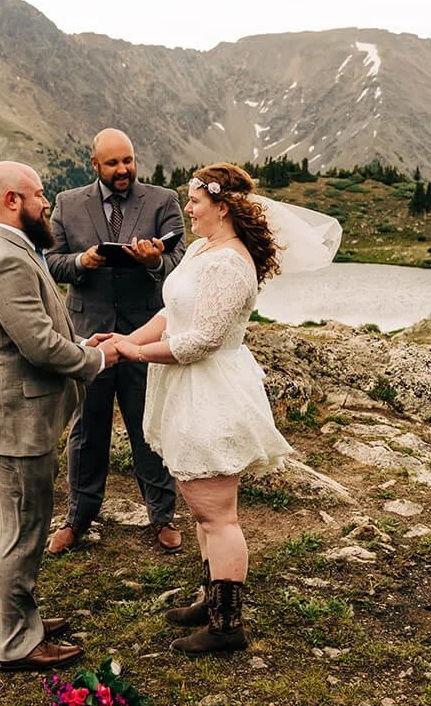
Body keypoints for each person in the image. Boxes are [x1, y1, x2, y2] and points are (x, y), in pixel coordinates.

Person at [93, 162, 293, 655]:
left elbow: (201, 339)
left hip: (212, 391)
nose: (187, 209)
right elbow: (171, 313)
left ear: (222, 207)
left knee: (216, 515)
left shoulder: (230, 264)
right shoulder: (203, 249)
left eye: (195, 201)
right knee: (201, 508)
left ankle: (228, 625)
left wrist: (134, 355)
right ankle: (212, 597)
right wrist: (125, 339)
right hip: (188, 389)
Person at [0, 161, 116, 672]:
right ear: (12, 200)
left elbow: (40, 331)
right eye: (39, 194)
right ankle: (18, 643)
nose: (47, 203)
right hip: (16, 422)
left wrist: (78, 342)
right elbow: (38, 347)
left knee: (15, 526)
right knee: (24, 530)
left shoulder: (5, 250)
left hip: (15, 419)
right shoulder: (6, 259)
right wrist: (95, 359)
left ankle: (9, 618)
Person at [43, 128, 187, 555]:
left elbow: (181, 261)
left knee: (149, 426)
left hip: (145, 334)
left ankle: (162, 516)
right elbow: (50, 261)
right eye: (113, 163)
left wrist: (155, 260)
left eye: (128, 161)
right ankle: (78, 518)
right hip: (88, 336)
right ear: (95, 165)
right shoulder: (68, 204)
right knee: (87, 430)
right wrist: (82, 261)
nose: (123, 170)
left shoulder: (164, 201)